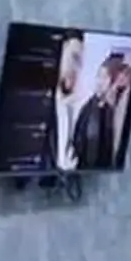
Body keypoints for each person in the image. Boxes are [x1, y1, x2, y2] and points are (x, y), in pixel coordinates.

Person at [73, 47, 131, 171]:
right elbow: (80, 142)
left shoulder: (118, 108)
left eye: (104, 77)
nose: (99, 82)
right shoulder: (90, 108)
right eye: (98, 76)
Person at [45, 32, 86, 174]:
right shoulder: (40, 101)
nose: (76, 70)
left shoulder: (74, 109)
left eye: (79, 64)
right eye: (74, 58)